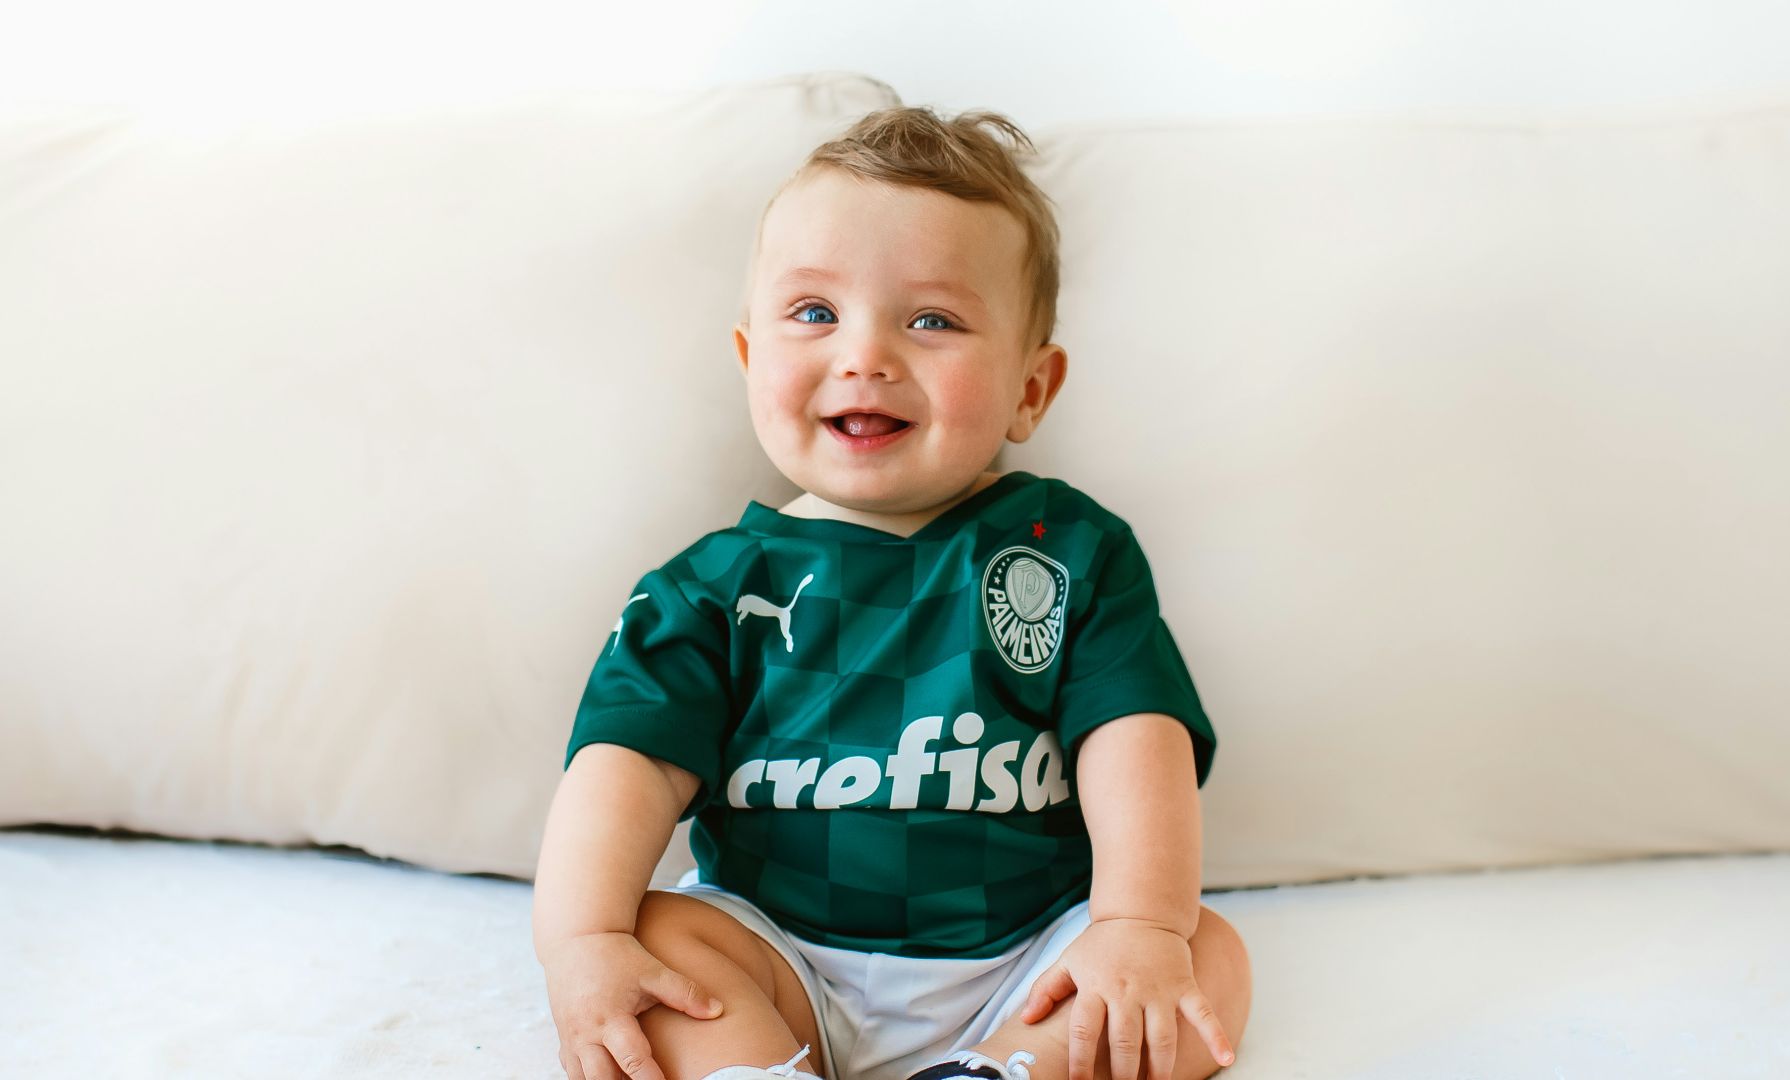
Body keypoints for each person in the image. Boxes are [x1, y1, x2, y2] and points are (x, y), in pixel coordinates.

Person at [532, 104, 1252, 1080]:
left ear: (1030, 390)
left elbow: (1133, 736)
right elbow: (624, 766)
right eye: (815, 313)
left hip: (1024, 960)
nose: (864, 355)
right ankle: (757, 1068)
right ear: (752, 362)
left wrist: (1135, 925)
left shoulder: (1070, 550)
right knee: (659, 939)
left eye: (933, 320)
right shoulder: (709, 588)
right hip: (780, 951)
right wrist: (580, 945)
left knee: (1203, 955)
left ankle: (998, 1070)